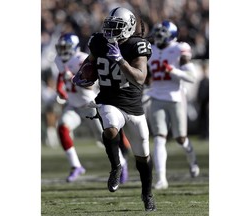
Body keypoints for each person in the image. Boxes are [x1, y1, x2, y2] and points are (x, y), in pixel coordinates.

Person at [72, 7, 156, 211]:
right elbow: (89, 64)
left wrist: (120, 60)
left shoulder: (137, 46)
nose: (110, 30)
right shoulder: (99, 41)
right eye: (108, 25)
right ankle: (116, 166)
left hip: (133, 105)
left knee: (143, 157)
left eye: (116, 27)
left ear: (128, 28)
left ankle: (147, 194)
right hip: (108, 100)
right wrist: (82, 74)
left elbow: (139, 77)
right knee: (110, 129)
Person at [54, 33, 129, 183]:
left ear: (73, 47)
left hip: (89, 104)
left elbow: (92, 83)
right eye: (60, 47)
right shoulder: (58, 60)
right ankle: (76, 166)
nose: (62, 50)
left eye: (65, 47)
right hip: (73, 105)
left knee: (104, 139)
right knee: (62, 127)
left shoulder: (81, 59)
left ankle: (122, 163)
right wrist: (60, 88)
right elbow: (61, 75)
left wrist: (76, 79)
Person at [147, 20, 200, 190]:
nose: (158, 36)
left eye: (162, 33)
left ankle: (192, 158)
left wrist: (174, 71)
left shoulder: (179, 49)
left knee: (180, 139)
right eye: (157, 32)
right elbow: (146, 76)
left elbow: (191, 77)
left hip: (176, 97)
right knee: (159, 138)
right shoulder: (151, 50)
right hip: (156, 97)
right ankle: (161, 178)